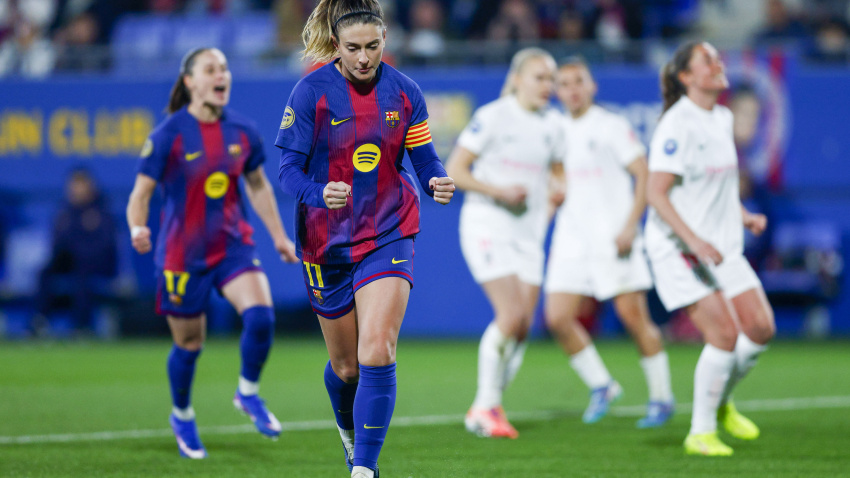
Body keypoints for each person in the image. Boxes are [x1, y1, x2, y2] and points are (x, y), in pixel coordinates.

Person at [276, 1, 455, 477]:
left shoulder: (405, 91)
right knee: (347, 367)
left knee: (376, 350)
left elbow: (425, 158)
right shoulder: (310, 91)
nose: (363, 58)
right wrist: (318, 192)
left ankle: (365, 470)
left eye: (372, 46)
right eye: (353, 48)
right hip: (325, 242)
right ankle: (350, 438)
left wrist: (437, 180)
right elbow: (287, 169)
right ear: (336, 46)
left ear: (384, 41)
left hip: (388, 229)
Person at [126, 47, 299, 459]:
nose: (222, 75)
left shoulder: (243, 130)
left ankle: (248, 392)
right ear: (190, 82)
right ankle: (182, 415)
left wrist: (278, 236)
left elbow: (257, 185)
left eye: (224, 68)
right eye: (210, 69)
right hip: (182, 255)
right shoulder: (167, 135)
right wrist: (137, 226)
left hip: (232, 246)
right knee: (189, 345)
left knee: (260, 317)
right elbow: (140, 195)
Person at [646, 41, 775, 456]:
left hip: (718, 245)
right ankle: (700, 432)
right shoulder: (676, 124)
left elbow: (714, 186)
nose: (719, 64)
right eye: (708, 60)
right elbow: (657, 194)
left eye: (719, 58)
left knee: (759, 328)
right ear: (686, 77)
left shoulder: (721, 117)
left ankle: (719, 404)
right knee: (723, 333)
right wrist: (694, 240)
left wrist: (742, 214)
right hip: (678, 246)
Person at [544, 57, 675, 427]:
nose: (571, 89)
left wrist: (632, 225)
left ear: (592, 86)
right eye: (564, 83)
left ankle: (662, 398)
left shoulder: (612, 125)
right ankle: (602, 385)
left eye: (578, 81)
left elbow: (643, 172)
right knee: (557, 318)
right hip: (571, 238)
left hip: (612, 236)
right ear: (556, 91)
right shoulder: (554, 129)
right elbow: (557, 180)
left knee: (634, 319)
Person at [446, 47, 565, 439]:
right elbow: (455, 170)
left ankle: (488, 405)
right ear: (516, 79)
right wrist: (497, 191)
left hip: (528, 236)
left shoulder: (554, 125)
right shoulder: (493, 116)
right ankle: (485, 406)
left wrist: (556, 194)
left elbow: (558, 176)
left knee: (521, 328)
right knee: (511, 316)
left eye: (551, 79)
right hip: (488, 223)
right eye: (539, 77)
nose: (547, 86)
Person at [35, 167, 118, 336]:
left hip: (96, 265)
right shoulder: (64, 212)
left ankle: (82, 327)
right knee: (45, 272)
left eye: (81, 185)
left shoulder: (101, 211)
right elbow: (57, 243)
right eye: (74, 185)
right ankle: (39, 322)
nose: (77, 189)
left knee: (82, 274)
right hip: (70, 262)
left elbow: (106, 246)